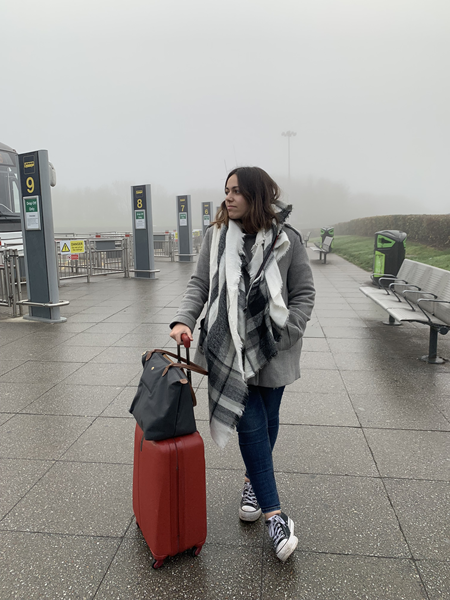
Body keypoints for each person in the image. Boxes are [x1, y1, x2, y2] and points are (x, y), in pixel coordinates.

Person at [170, 166, 315, 562]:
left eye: (237, 191)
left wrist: (287, 332)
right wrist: (184, 320)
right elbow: (200, 284)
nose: (228, 197)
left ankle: (253, 481)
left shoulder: (288, 239)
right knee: (250, 423)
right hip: (229, 347)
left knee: (268, 419)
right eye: (226, 190)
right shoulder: (215, 236)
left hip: (275, 348)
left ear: (257, 195)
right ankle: (275, 516)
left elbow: (304, 292)